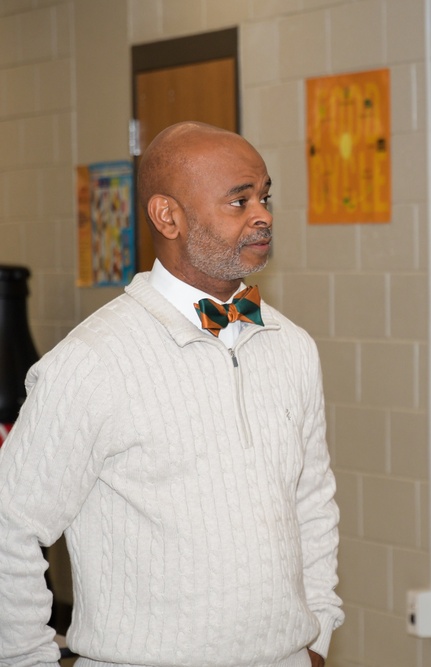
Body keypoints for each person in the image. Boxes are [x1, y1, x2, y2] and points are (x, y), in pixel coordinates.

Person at [0, 122, 343, 666]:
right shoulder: (92, 362)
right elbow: (9, 524)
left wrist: (317, 633)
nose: (264, 215)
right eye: (239, 200)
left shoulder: (291, 346)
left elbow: (312, 503)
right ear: (169, 216)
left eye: (265, 196)